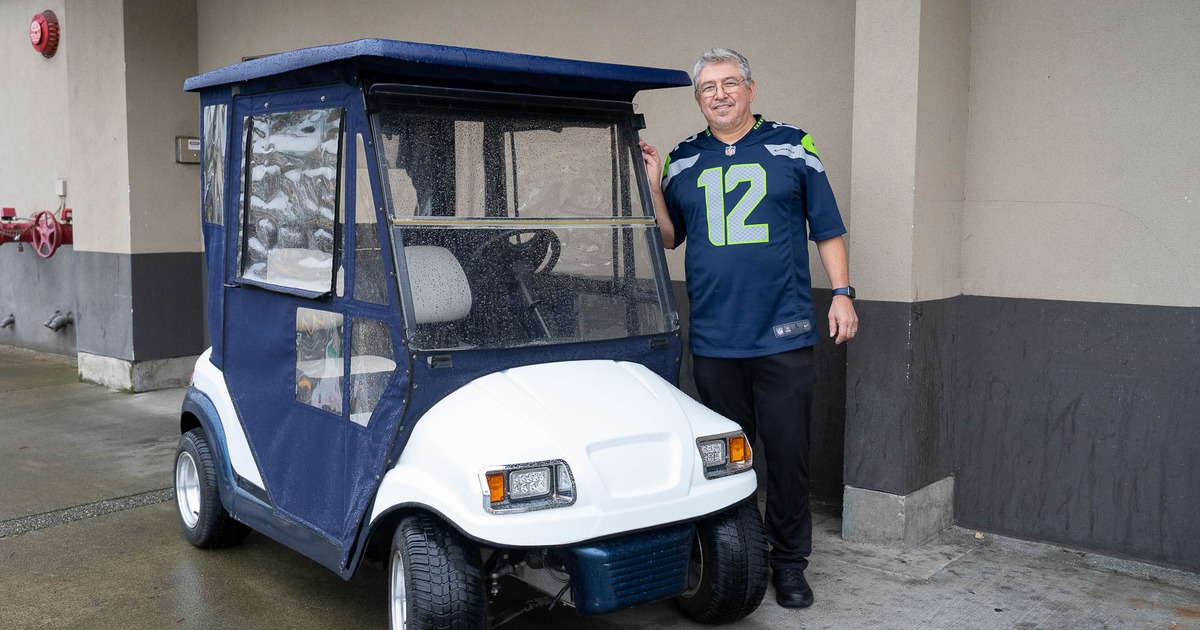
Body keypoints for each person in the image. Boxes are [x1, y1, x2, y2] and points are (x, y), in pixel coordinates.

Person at [640, 48, 857, 609]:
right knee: (727, 461)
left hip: (783, 331)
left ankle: (789, 565)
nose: (720, 93)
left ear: (751, 89)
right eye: (708, 87)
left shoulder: (792, 144)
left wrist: (841, 294)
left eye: (730, 82)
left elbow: (827, 226)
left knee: (788, 456)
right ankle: (739, 558)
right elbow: (669, 238)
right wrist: (653, 186)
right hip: (715, 337)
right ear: (698, 98)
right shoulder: (684, 158)